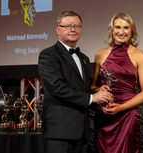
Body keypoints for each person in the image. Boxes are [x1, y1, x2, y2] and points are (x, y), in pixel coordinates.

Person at [38, 11, 113, 153]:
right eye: (68, 26)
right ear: (58, 30)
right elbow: (57, 88)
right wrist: (92, 98)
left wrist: (98, 92)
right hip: (59, 132)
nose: (73, 29)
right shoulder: (48, 55)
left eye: (77, 26)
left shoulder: (84, 58)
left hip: (81, 133)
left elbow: (81, 89)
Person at [91, 12, 143, 153]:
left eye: (126, 28)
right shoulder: (100, 54)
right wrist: (99, 89)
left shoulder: (139, 55)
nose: (121, 32)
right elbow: (92, 86)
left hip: (127, 116)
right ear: (112, 30)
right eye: (117, 27)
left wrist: (121, 107)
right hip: (104, 117)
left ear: (132, 31)